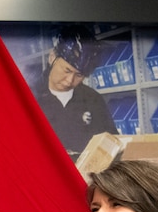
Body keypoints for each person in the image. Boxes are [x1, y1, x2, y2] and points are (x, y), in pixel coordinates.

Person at [34, 25, 117, 160]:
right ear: (52, 57)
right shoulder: (26, 96)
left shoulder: (93, 100)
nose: (69, 81)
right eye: (66, 70)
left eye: (79, 75)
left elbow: (111, 143)